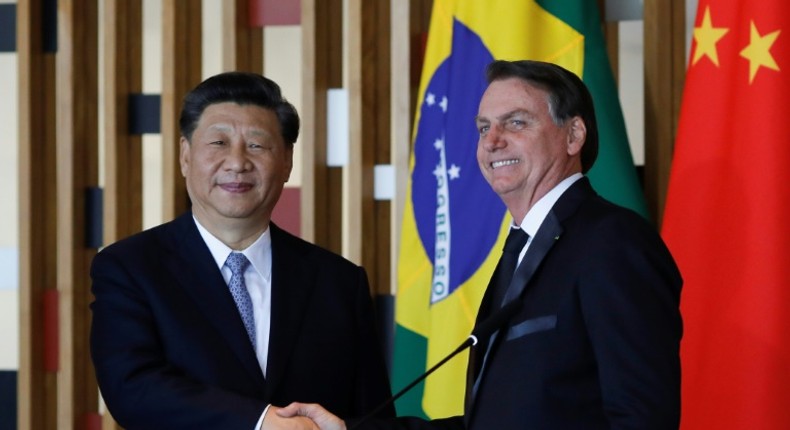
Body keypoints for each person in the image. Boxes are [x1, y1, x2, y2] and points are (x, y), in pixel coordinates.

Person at [277, 59, 683, 429]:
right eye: (484, 127)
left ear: (573, 134)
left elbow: (640, 416)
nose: (492, 141)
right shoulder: (524, 247)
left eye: (516, 123)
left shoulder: (613, 241)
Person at [89, 72, 394, 430]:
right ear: (185, 155)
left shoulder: (339, 282)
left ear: (286, 162)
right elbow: (133, 390)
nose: (237, 162)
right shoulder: (130, 268)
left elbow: (372, 416)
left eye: (256, 145)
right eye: (218, 143)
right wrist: (260, 422)